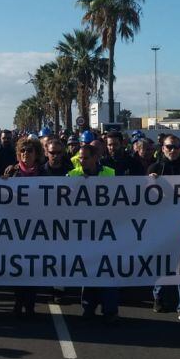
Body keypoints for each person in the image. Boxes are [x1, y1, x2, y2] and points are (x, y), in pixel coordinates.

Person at [68, 134, 119, 323]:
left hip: (106, 230)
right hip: (84, 231)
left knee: (107, 271)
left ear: (96, 157)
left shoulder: (110, 173)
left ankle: (110, 310)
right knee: (88, 270)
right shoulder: (72, 175)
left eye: (86, 158)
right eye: (80, 158)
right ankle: (88, 308)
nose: (82, 161)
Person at [147, 134, 180, 321]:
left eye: (176, 147)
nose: (173, 150)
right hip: (162, 225)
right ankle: (158, 296)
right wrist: (149, 181)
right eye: (169, 147)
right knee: (164, 264)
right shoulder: (155, 168)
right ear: (163, 148)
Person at [3, 135, 45, 319]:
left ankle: (30, 305)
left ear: (37, 153)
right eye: (22, 151)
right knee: (18, 267)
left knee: (33, 267)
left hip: (37, 228)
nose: (26, 154)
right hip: (15, 228)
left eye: (30, 150)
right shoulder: (11, 173)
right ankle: (18, 302)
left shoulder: (44, 174)